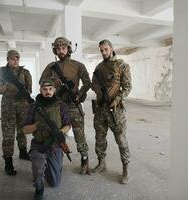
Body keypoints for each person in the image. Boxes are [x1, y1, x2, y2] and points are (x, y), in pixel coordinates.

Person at [39, 37, 91, 174]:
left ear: (68, 49)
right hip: (56, 106)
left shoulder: (78, 65)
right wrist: (54, 83)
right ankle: (55, 160)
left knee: (79, 134)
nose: (61, 51)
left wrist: (80, 95)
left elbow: (87, 83)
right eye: (58, 49)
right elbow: (42, 82)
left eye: (63, 48)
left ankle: (84, 159)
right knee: (56, 133)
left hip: (73, 104)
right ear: (55, 50)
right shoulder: (50, 67)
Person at [91, 39, 132, 184]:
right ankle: (101, 163)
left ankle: (125, 169)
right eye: (101, 50)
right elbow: (93, 83)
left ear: (112, 48)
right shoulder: (98, 67)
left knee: (121, 139)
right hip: (101, 108)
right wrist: (99, 93)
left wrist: (117, 99)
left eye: (106, 49)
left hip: (116, 110)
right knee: (99, 138)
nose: (103, 52)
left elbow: (127, 87)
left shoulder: (121, 65)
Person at [23, 80, 71, 200]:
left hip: (55, 144)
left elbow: (68, 125)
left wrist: (59, 132)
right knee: (38, 169)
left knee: (54, 182)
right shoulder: (34, 107)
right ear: (40, 90)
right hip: (39, 144)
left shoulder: (61, 105)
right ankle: (39, 187)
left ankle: (52, 167)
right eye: (44, 89)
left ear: (54, 90)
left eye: (50, 89)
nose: (47, 92)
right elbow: (25, 129)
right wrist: (37, 125)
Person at [0, 50, 32, 176]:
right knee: (8, 134)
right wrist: (4, 87)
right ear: (7, 59)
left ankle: (23, 152)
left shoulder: (25, 72)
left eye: (17, 58)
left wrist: (23, 93)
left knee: (22, 131)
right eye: (12, 58)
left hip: (23, 107)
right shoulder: (2, 72)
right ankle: (8, 162)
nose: (15, 60)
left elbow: (29, 89)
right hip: (8, 108)